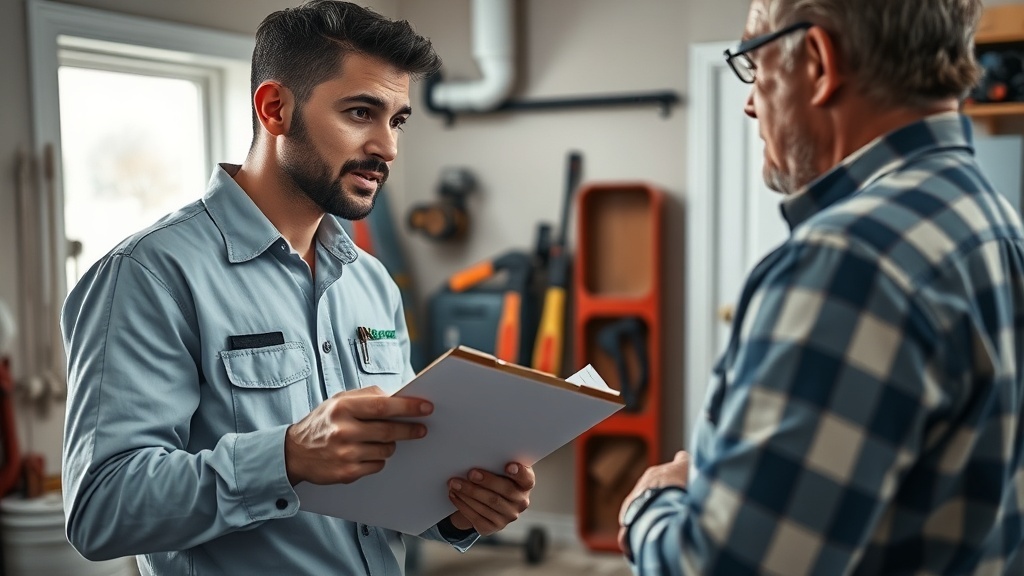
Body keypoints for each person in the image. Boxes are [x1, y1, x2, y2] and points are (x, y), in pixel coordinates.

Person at [60, 2, 535, 574]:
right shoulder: (148, 275)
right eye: (361, 112)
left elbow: (398, 475)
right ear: (275, 108)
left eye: (398, 120)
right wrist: (286, 456)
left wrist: (459, 508)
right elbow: (100, 509)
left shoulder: (370, 280)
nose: (387, 147)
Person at [618, 0, 1024, 574]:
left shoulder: (847, 263)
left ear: (816, 61)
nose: (750, 103)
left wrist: (653, 503)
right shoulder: (994, 222)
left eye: (756, 67)